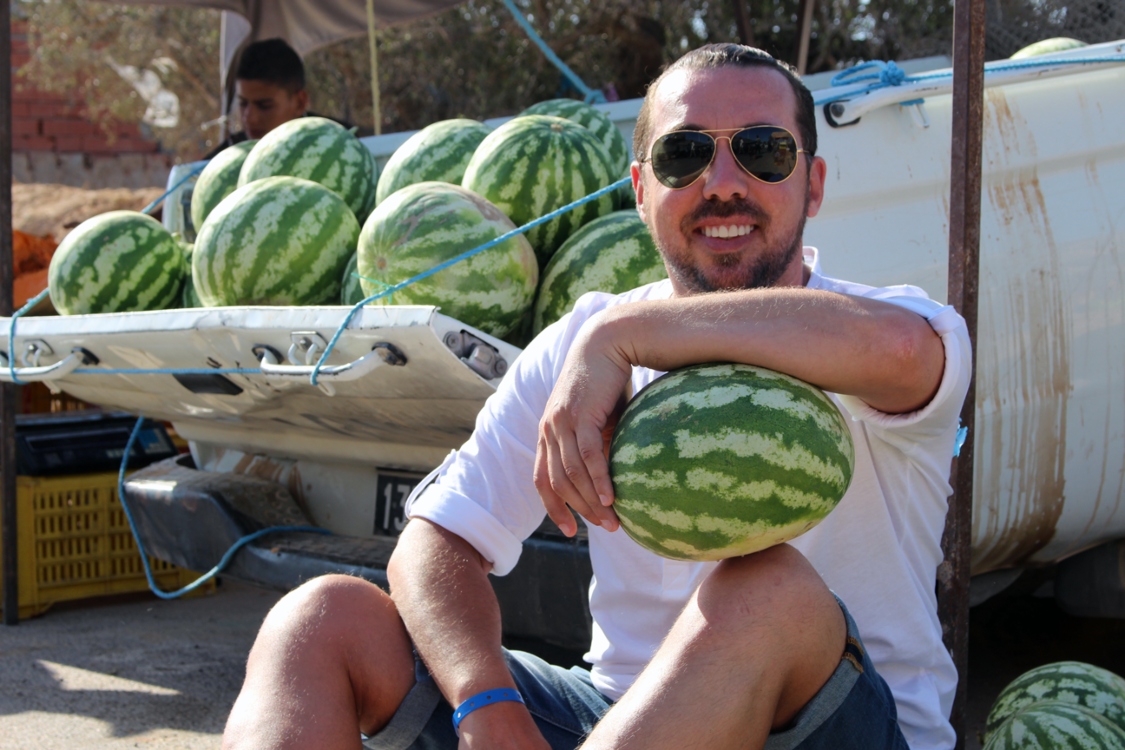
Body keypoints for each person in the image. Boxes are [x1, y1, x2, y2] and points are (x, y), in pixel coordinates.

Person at [221, 43, 970, 750]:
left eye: (763, 150)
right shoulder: (580, 346)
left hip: (835, 728)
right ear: (641, 191)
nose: (723, 183)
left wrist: (623, 334)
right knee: (319, 619)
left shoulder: (888, 326)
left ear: (814, 182)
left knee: (768, 591)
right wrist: (486, 703)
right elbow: (435, 542)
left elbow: (903, 354)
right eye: (683, 154)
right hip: (617, 716)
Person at [204, 38, 311, 158]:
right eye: (243, 103)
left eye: (264, 106)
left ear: (300, 103)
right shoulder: (224, 157)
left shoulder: (327, 141)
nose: (250, 118)